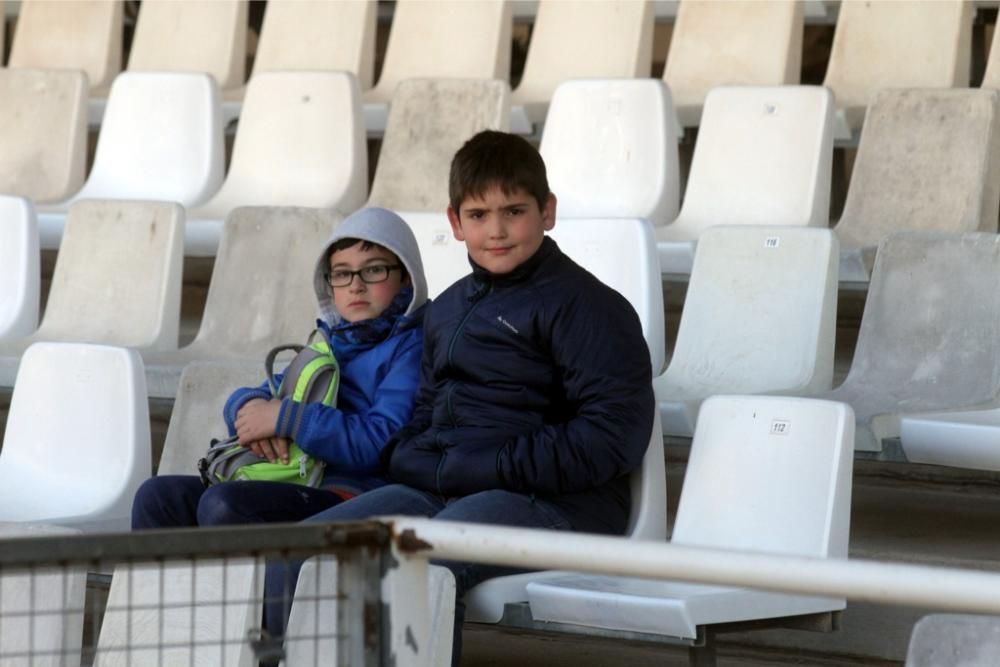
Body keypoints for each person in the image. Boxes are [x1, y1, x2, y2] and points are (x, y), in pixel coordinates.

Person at [264, 130, 656, 664]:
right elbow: (423, 416)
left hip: (559, 505)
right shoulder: (447, 309)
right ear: (454, 222)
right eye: (478, 215)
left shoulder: (590, 308)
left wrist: (490, 465)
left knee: (415, 562)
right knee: (299, 550)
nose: (495, 231)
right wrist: (412, 457)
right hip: (447, 491)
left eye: (513, 211)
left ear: (548, 211)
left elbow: (611, 438)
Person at [131, 207, 429, 529]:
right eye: (342, 273)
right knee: (157, 497)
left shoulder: (412, 349)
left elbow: (381, 441)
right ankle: (167, 582)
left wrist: (286, 419)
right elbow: (268, 392)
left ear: (406, 278)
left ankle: (262, 582)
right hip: (293, 478)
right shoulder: (330, 341)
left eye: (373, 270)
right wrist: (248, 408)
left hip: (351, 494)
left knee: (224, 505)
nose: (355, 285)